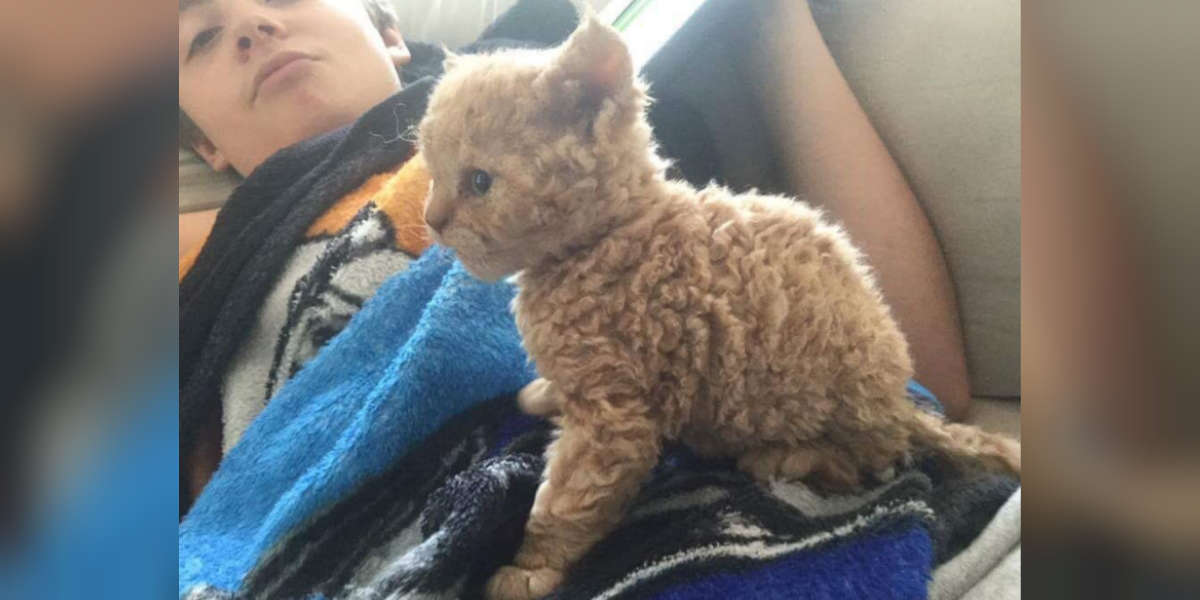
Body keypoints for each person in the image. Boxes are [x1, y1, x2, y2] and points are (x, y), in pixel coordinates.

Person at [178, 0, 972, 504]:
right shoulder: (198, 255)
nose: (248, 22)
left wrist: (776, 18)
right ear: (207, 148)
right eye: (202, 38)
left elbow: (918, 371)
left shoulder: (567, 85)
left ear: (390, 30)